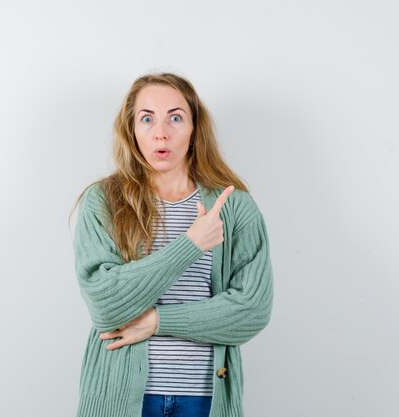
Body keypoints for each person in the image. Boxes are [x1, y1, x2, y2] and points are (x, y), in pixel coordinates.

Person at [69, 72, 273, 417]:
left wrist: (158, 321)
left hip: (204, 399)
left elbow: (251, 310)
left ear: (195, 129)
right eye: (147, 118)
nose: (160, 132)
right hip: (123, 397)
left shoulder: (234, 207)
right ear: (131, 131)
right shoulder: (102, 201)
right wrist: (191, 244)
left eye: (175, 118)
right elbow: (106, 305)